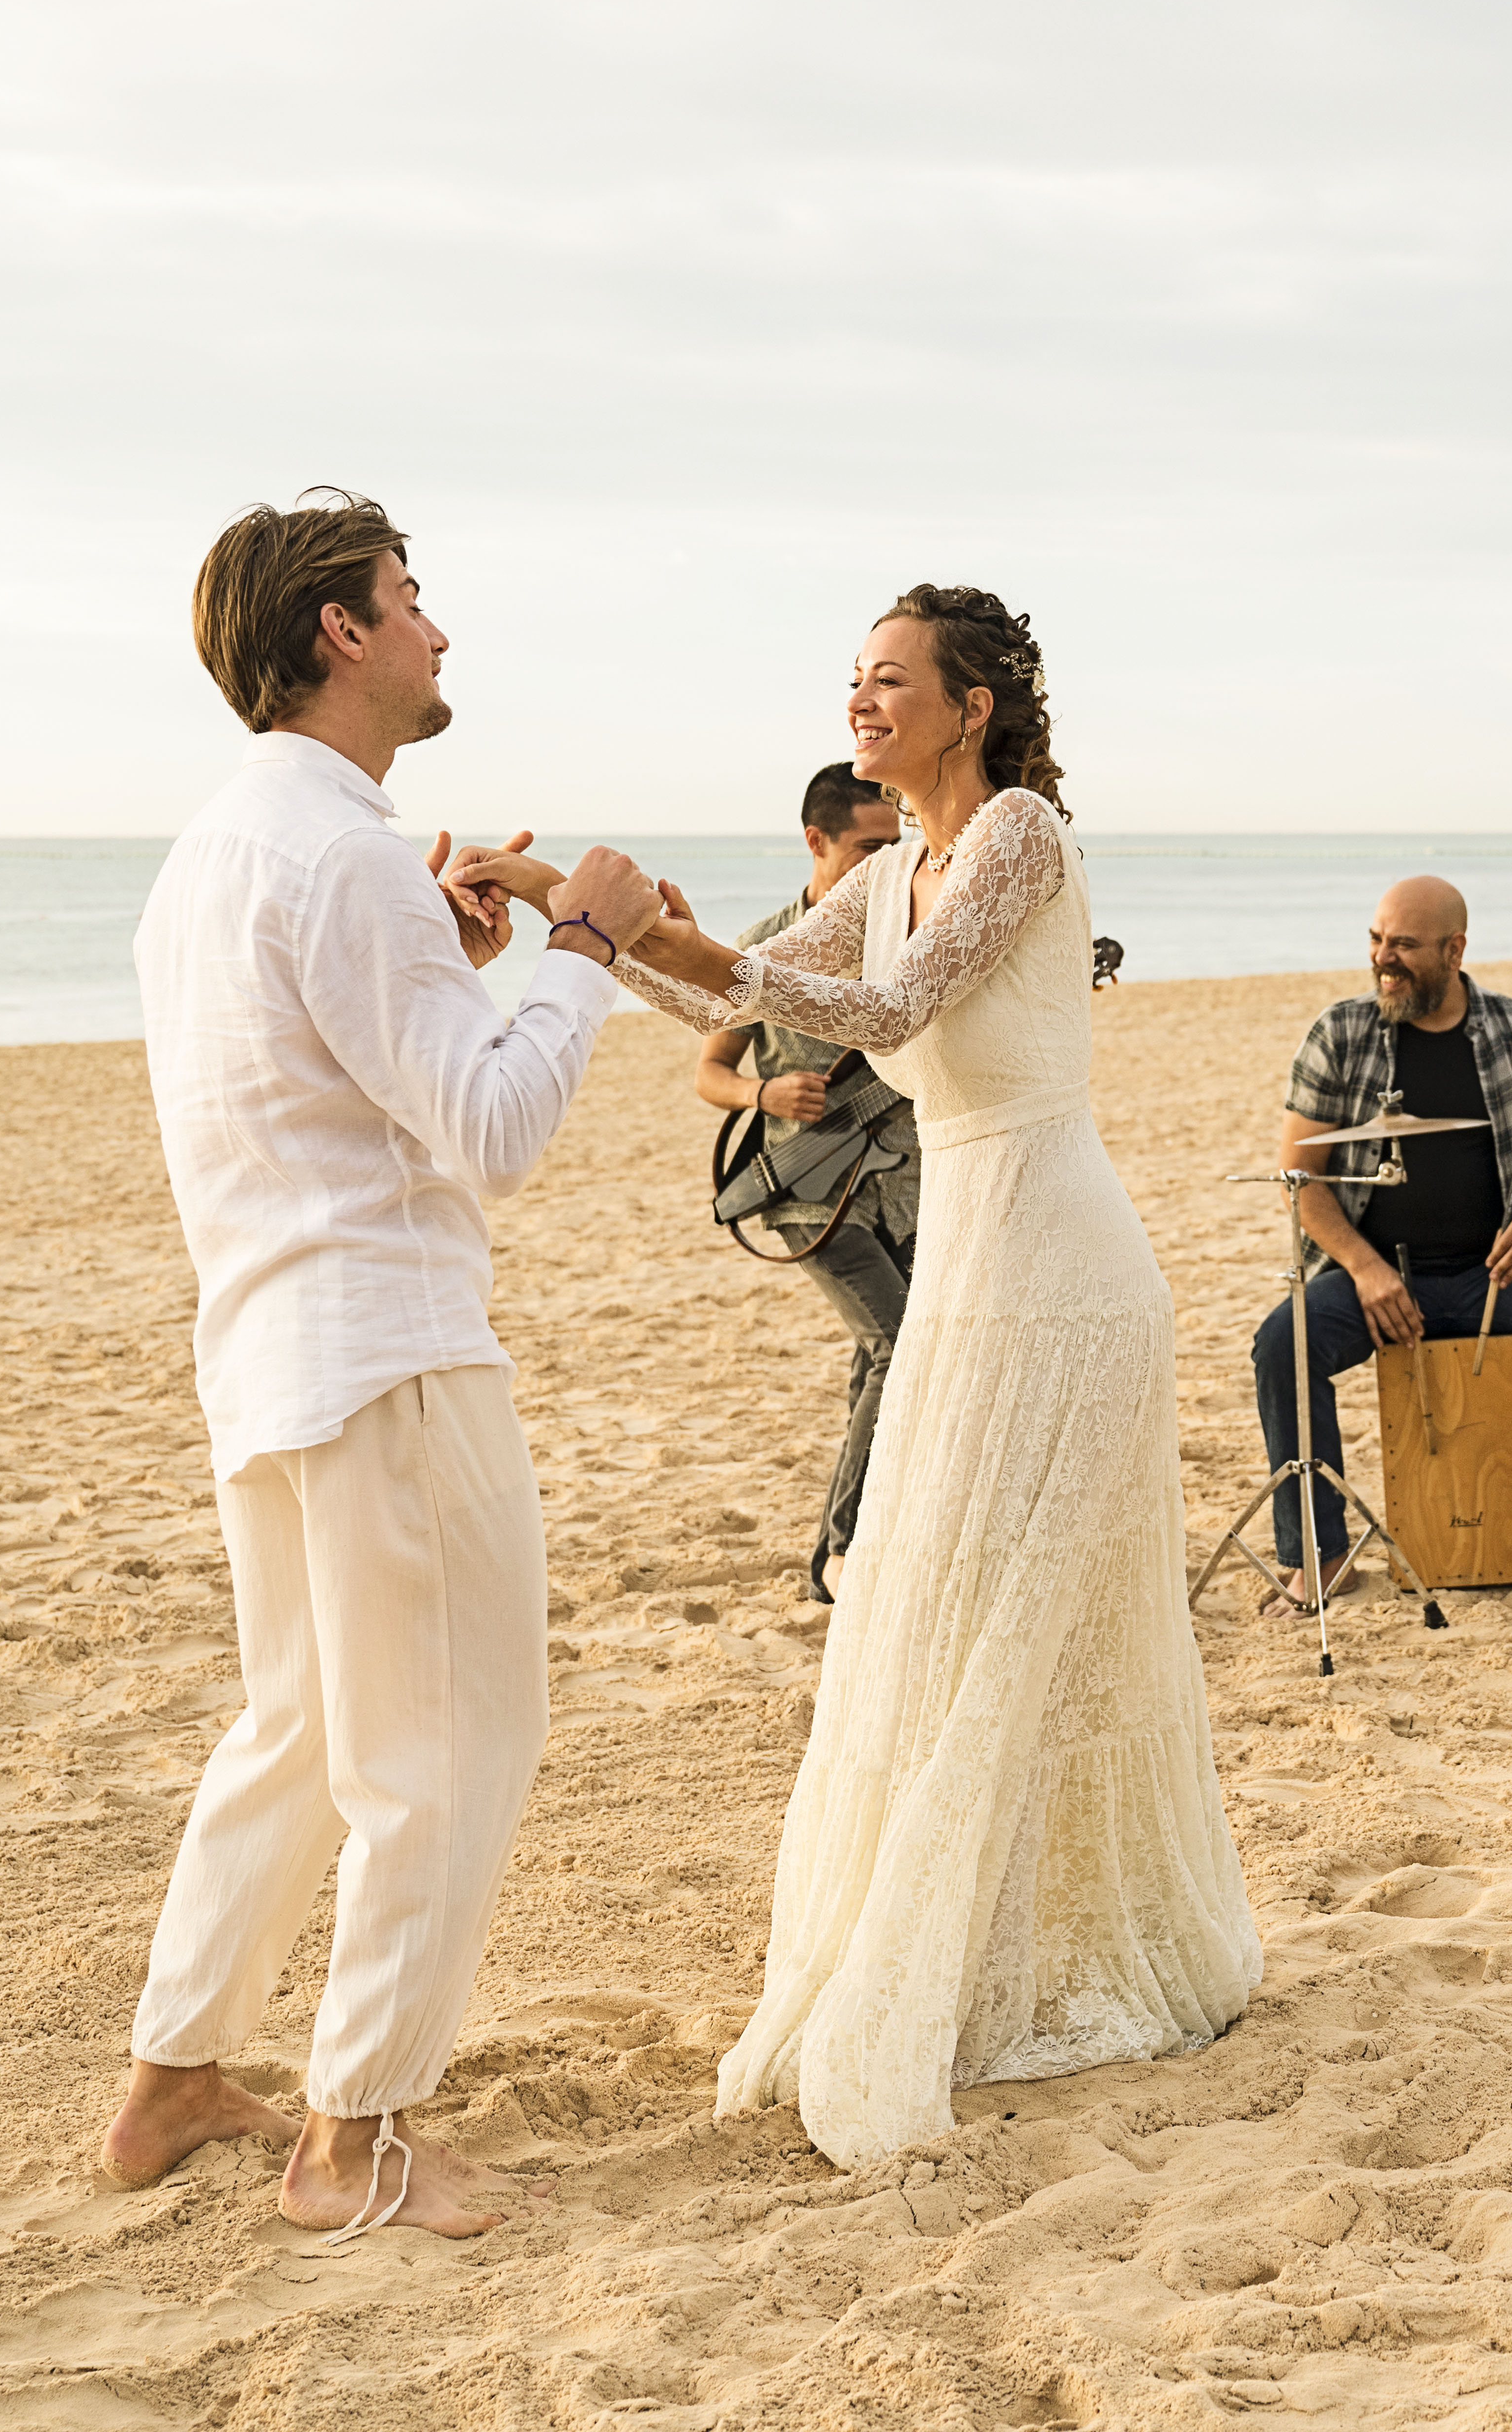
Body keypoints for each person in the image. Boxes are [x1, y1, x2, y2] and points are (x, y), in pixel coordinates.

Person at [459, 584, 1257, 2172]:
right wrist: (577, 916)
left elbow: (887, 1008)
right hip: (964, 1259)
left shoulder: (1015, 831)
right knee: (938, 1598)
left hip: (1062, 1261)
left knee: (1020, 1604)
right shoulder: (883, 866)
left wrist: (640, 924)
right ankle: (986, 1942)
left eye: (891, 682)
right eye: (853, 682)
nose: (861, 705)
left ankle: (1029, 1949)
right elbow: (722, 990)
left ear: (971, 706)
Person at [99, 491, 654, 2240]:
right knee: (452, 1740)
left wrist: (458, 964)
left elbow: (334, 1086)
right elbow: (489, 1129)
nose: (435, 629)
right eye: (409, 598)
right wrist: (587, 950)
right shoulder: (341, 853)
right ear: (337, 630)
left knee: (302, 1727)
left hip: (267, 1352)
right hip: (390, 1357)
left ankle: (176, 2073)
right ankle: (355, 2138)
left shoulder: (212, 855)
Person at [1258, 879, 1512, 1610]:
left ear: (1455, 951)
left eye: (1404, 947)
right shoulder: (1339, 1033)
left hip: (1499, 1272)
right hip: (1379, 1278)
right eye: (1376, 940)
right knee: (1281, 1346)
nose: (1383, 960)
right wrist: (1363, 1267)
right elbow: (1301, 1176)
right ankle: (1320, 1555)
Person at [691, 762, 919, 1600]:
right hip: (807, 1194)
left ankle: (845, 1551)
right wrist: (765, 1091)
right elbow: (710, 1071)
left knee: (877, 1362)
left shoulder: (908, 946)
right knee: (901, 1348)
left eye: (897, 849)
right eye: (869, 850)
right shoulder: (767, 952)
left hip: (905, 1185)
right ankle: (843, 1552)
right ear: (817, 843)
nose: (886, 868)